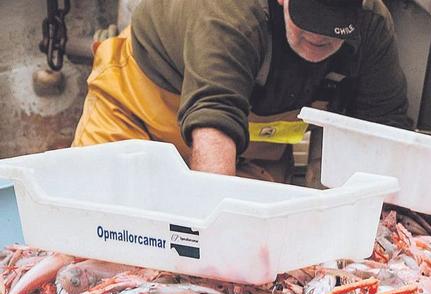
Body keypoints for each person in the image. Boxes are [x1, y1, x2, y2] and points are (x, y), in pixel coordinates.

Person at [71, 0, 411, 182]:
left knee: (269, 261)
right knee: (93, 236)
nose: (322, 36)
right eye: (311, 16)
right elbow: (214, 120)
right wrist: (215, 249)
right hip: (140, 112)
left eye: (338, 23)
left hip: (247, 146)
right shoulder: (230, 14)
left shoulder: (372, 25)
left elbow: (385, 132)